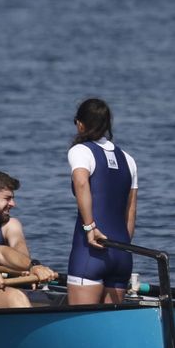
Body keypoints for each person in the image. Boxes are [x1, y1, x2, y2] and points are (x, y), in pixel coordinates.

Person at [66, 97, 138, 306]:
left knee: (82, 325)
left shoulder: (80, 151)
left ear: (81, 124)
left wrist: (90, 228)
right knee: (108, 326)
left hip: (91, 252)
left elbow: (81, 183)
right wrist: (121, 247)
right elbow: (131, 210)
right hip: (122, 254)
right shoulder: (128, 159)